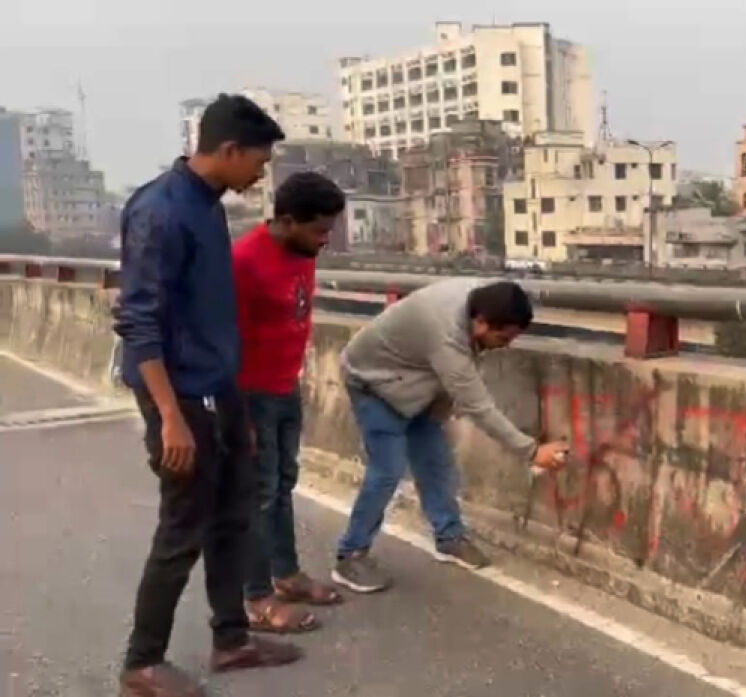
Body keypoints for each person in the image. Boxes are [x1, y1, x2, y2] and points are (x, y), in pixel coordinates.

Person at [113, 94, 300, 697]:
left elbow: (214, 316)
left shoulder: (210, 207)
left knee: (233, 517)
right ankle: (142, 662)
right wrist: (170, 417)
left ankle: (232, 641)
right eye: (258, 163)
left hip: (222, 389)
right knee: (183, 527)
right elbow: (139, 321)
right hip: (179, 397)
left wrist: (236, 408)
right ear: (229, 150)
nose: (260, 175)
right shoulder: (159, 211)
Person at [331, 279, 569, 593]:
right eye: (504, 336)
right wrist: (531, 451)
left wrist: (436, 413)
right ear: (480, 322)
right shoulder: (446, 335)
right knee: (387, 470)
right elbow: (478, 406)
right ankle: (351, 555)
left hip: (417, 384)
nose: (507, 344)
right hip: (372, 382)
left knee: (437, 463)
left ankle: (449, 538)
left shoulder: (481, 301)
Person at [232, 172, 345, 634]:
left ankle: (286, 573)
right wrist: (238, 414)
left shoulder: (303, 252)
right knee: (258, 495)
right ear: (286, 220)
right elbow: (226, 342)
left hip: (285, 387)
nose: (325, 241)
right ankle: (255, 598)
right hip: (251, 394)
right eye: (318, 230)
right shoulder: (243, 262)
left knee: (282, 484)